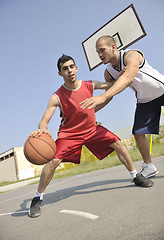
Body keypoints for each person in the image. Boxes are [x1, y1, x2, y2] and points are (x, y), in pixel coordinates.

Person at [28, 54, 153, 218]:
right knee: (53, 161)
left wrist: (124, 74)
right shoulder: (56, 96)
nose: (70, 71)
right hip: (69, 135)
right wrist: (43, 129)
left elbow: (112, 85)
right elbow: (44, 121)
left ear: (76, 68)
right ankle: (37, 198)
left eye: (72, 66)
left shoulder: (89, 84)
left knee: (118, 143)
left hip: (92, 130)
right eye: (65, 69)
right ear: (60, 73)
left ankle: (135, 176)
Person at [81, 35, 164, 178]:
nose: (100, 55)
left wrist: (102, 96)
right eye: (98, 52)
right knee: (138, 133)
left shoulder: (131, 55)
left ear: (113, 47)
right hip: (145, 99)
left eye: (102, 50)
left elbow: (128, 78)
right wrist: (91, 112)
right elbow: (110, 94)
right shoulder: (108, 72)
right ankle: (149, 166)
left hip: (161, 89)